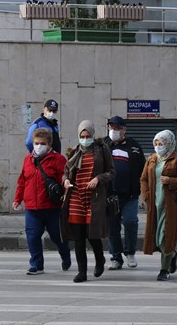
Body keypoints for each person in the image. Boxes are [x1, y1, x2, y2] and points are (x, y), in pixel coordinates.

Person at [61, 120, 115, 283]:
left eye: (88, 136)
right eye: (82, 136)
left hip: (94, 198)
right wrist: (65, 181)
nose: (85, 138)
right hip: (76, 198)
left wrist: (98, 178)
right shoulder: (74, 152)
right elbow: (65, 172)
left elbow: (111, 172)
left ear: (92, 135)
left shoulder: (101, 149)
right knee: (78, 238)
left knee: (92, 235)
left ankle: (100, 259)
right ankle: (82, 271)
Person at [13, 128, 72, 275]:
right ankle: (36, 265)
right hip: (32, 208)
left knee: (57, 237)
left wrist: (66, 195)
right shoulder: (28, 159)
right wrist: (17, 199)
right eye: (36, 143)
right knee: (32, 236)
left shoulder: (58, 159)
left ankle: (65, 255)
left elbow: (64, 178)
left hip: (53, 207)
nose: (39, 146)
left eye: (42, 143)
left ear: (49, 144)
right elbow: (22, 181)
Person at [140, 130, 177, 281]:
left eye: (162, 144)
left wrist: (171, 181)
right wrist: (146, 195)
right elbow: (143, 178)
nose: (159, 147)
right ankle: (172, 254)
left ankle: (164, 269)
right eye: (156, 144)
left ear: (169, 143)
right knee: (156, 237)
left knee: (165, 236)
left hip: (170, 205)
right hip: (154, 204)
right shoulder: (152, 159)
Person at [104, 116, 145, 270]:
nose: (114, 131)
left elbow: (143, 169)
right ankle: (116, 257)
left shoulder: (134, 146)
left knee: (130, 222)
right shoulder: (104, 145)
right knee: (112, 227)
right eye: (111, 127)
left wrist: (143, 190)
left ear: (124, 130)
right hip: (110, 195)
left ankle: (130, 252)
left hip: (130, 195)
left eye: (117, 128)